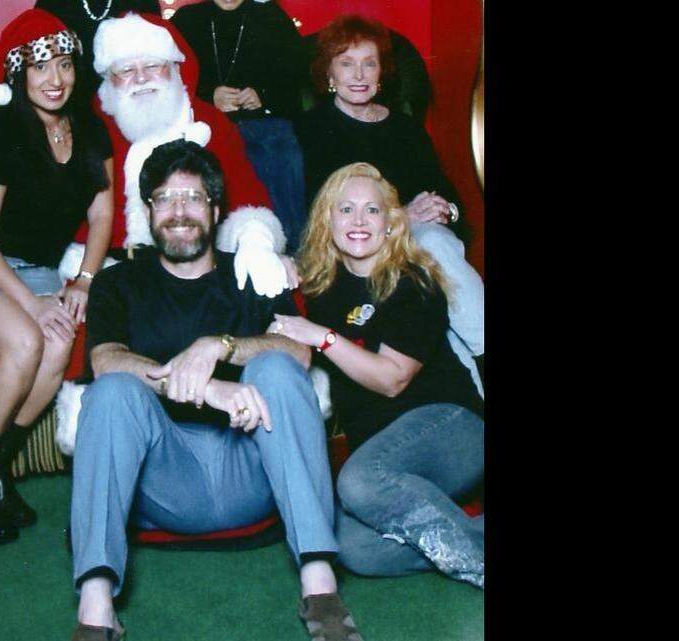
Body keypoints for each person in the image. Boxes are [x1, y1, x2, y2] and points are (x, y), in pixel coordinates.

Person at [69, 140, 364, 641]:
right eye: (164, 198)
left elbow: (299, 355)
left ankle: (321, 588)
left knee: (274, 366)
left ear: (215, 208)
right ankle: (96, 610)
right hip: (163, 475)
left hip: (251, 465)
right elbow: (105, 360)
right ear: (148, 212)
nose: (178, 211)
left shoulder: (248, 272)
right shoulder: (119, 282)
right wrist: (208, 389)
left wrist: (220, 347)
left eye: (192, 197)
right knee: (111, 392)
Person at [0, 11, 293, 300]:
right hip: (113, 270)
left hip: (200, 266)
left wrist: (257, 244)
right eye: (125, 70)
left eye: (153, 65)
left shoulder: (208, 121)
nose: (140, 78)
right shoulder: (94, 124)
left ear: (174, 67)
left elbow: (249, 198)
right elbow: (40, 177)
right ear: (109, 79)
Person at [0, 8, 114, 544]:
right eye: (39, 68)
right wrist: (32, 305)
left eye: (63, 65)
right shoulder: (3, 134)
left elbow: (101, 215)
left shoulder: (90, 129)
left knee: (59, 347)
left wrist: (82, 281)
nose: (55, 80)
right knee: (27, 340)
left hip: (34, 270)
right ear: (18, 75)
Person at [271, 162, 484, 588]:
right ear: (326, 221)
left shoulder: (414, 281)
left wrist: (323, 338)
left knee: (359, 480)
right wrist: (278, 262)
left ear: (391, 222)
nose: (358, 221)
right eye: (345, 209)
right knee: (356, 549)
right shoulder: (321, 288)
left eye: (372, 210)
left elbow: (391, 379)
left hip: (450, 428)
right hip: (387, 455)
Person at [294, 13, 484, 392]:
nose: (359, 74)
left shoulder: (404, 128)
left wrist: (446, 209)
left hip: (422, 242)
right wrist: (402, 216)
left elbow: (450, 197)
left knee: (434, 242)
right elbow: (325, 213)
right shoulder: (312, 131)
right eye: (346, 64)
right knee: (430, 243)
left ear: (382, 74)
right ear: (328, 75)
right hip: (361, 246)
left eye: (369, 63)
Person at [171, 0, 308, 253]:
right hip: (205, 123)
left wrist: (263, 96)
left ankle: (291, 254)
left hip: (265, 124)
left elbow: (296, 77)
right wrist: (209, 96)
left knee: (281, 152)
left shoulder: (270, 15)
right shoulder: (187, 19)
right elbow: (172, 80)